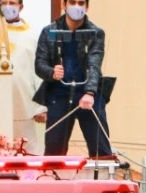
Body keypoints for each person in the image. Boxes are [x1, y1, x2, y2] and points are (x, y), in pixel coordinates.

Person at [34, 0, 114, 157]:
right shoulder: (49, 31)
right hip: (59, 94)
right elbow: (39, 64)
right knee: (54, 150)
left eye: (81, 3)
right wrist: (51, 72)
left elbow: (94, 64)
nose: (76, 6)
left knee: (102, 150)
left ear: (86, 7)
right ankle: (52, 178)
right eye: (72, 2)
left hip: (88, 95)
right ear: (64, 5)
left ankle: (102, 177)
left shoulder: (96, 33)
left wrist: (90, 92)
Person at [1, 0, 46, 150]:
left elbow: (40, 73)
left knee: (26, 147)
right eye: (3, 2)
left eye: (12, 2)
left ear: (21, 7)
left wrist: (41, 107)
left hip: (25, 101)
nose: (7, 6)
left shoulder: (32, 37)